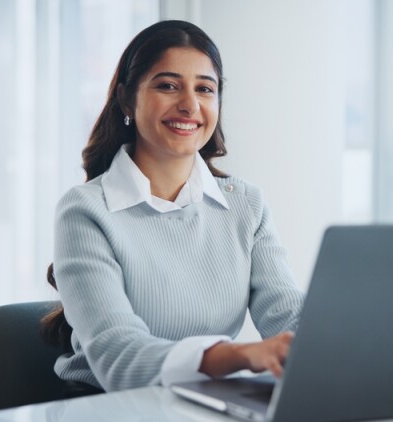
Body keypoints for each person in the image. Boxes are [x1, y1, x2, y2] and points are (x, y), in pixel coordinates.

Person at [43, 20, 304, 392]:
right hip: (107, 408)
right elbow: (119, 357)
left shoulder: (246, 205)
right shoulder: (85, 211)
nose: (190, 105)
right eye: (167, 86)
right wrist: (242, 355)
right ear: (126, 98)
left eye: (205, 89)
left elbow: (286, 314)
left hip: (204, 405)